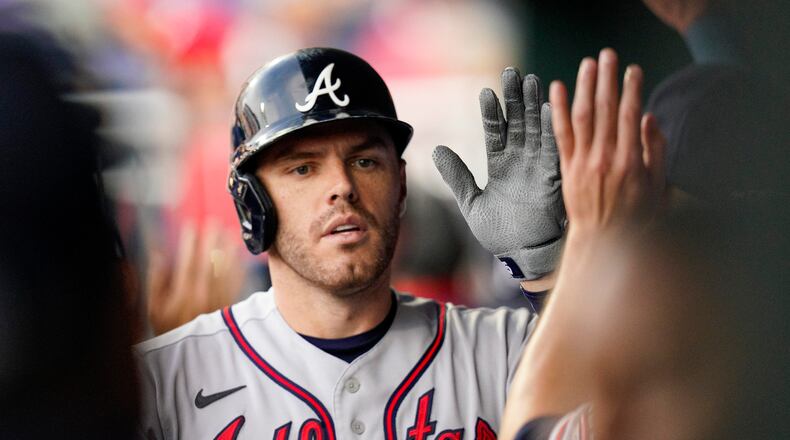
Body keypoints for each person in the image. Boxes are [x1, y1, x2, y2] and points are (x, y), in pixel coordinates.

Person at [135, 47, 567, 439]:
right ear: (253, 204)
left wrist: (542, 266)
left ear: (400, 187)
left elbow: (618, 406)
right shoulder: (161, 380)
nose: (342, 185)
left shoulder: (504, 351)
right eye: (303, 168)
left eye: (364, 161)